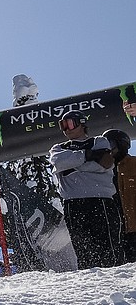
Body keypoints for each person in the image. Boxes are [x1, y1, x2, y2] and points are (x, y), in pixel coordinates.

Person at [49, 111, 124, 269]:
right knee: (83, 249)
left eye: (70, 124)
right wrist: (87, 156)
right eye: (62, 125)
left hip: (100, 201)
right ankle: (89, 286)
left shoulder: (99, 141)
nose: (66, 129)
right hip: (73, 204)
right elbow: (58, 162)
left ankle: (114, 285)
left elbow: (104, 164)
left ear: (82, 123)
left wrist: (71, 164)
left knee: (107, 247)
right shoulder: (58, 148)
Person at [105, 128, 136, 263]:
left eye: (110, 145)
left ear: (121, 144)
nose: (108, 149)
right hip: (117, 226)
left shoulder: (133, 164)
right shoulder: (104, 168)